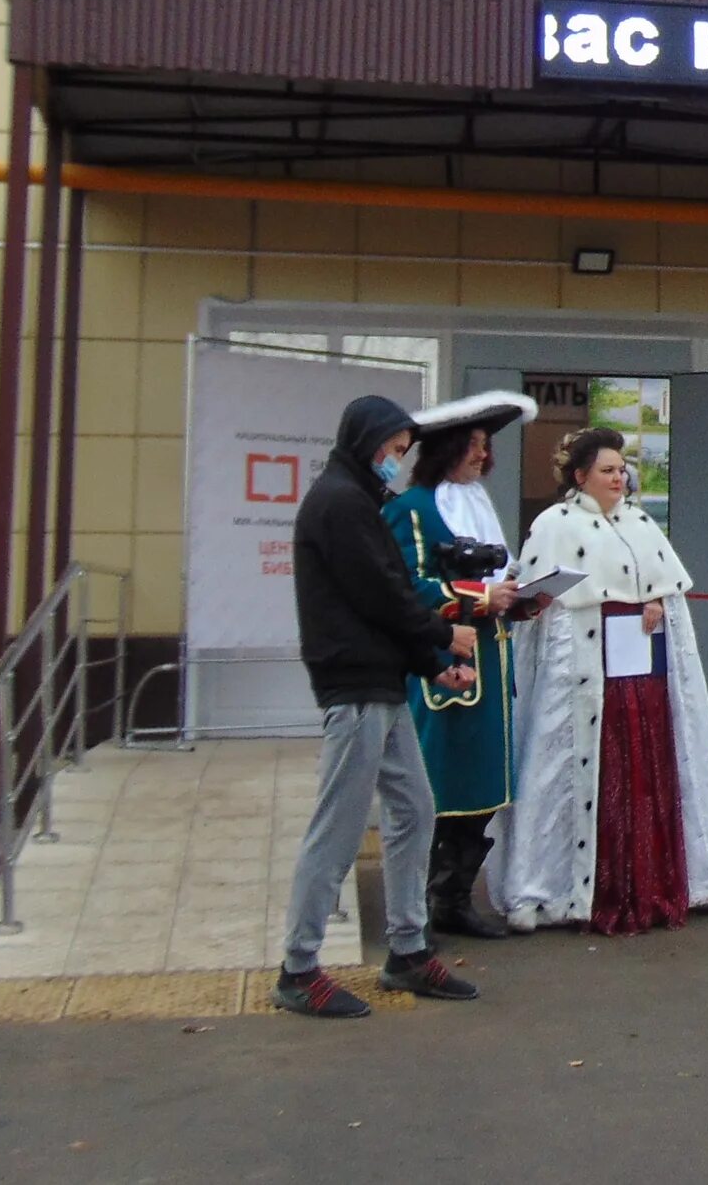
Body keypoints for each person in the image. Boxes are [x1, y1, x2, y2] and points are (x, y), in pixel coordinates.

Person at [277, 395, 480, 1016]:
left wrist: (430, 663)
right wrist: (443, 637)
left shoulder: (360, 500)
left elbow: (384, 596)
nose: (398, 460)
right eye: (394, 450)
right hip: (357, 687)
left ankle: (408, 952)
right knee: (338, 830)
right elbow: (381, 595)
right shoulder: (341, 502)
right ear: (366, 441)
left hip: (381, 684)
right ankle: (299, 968)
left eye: (403, 452)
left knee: (415, 811)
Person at [492, 427, 708, 935]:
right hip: (585, 685)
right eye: (607, 470)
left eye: (621, 468)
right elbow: (541, 608)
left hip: (642, 681)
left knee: (645, 776)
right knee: (587, 774)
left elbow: (663, 588)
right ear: (580, 477)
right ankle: (563, 889)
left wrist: (653, 599)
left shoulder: (641, 523)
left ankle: (655, 882)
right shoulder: (553, 525)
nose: (618, 477)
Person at [383, 391, 537, 940]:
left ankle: (452, 899)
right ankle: (417, 906)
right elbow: (404, 588)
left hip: (492, 665)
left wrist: (522, 600)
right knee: (437, 789)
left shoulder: (479, 504)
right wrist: (475, 599)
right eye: (474, 446)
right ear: (447, 447)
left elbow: (498, 580)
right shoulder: (410, 511)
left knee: (483, 787)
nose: (482, 457)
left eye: (486, 447)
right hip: (441, 668)